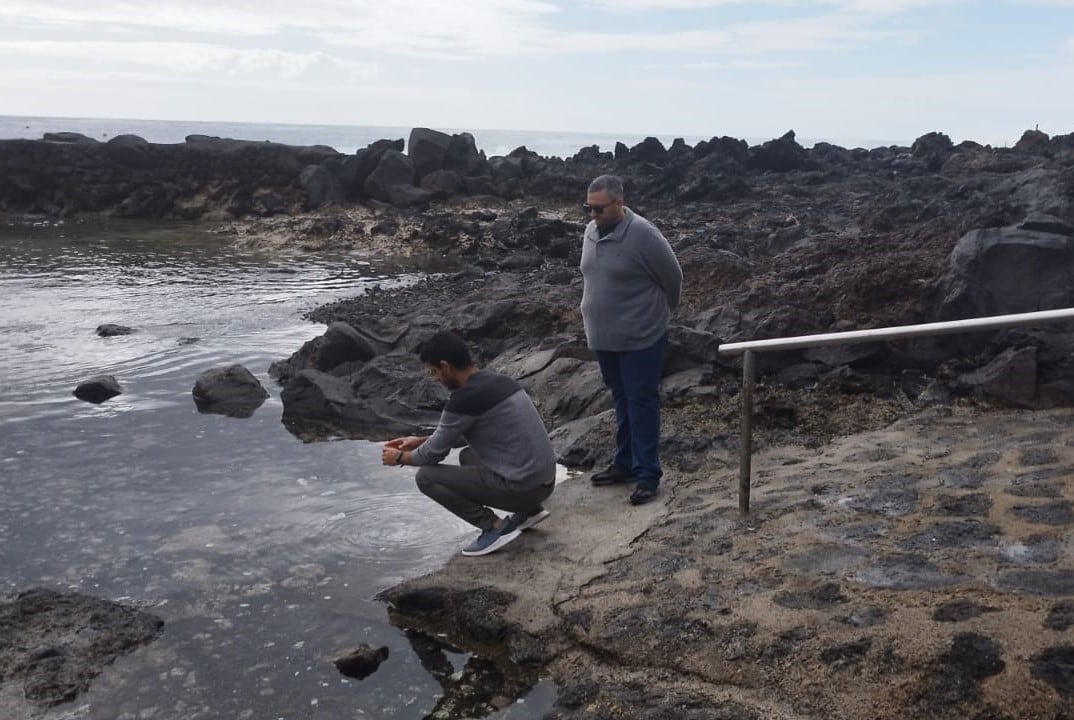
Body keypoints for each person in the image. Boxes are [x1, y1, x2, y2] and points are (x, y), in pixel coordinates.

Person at [381, 331, 557, 556]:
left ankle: (494, 527)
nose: (435, 378)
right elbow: (470, 433)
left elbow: (431, 456)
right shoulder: (499, 381)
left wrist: (398, 458)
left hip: (524, 489)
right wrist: (419, 441)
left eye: (434, 372)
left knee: (426, 477)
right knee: (467, 455)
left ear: (445, 366)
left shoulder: (464, 399)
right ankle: (530, 512)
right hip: (544, 482)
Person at [580, 174, 683, 506]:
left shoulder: (644, 234)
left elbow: (674, 278)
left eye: (598, 209)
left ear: (619, 203)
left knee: (641, 401)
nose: (592, 216)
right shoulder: (590, 231)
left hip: (641, 336)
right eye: (588, 209)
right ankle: (623, 464)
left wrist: (659, 315)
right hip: (603, 337)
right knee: (621, 399)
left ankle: (647, 475)